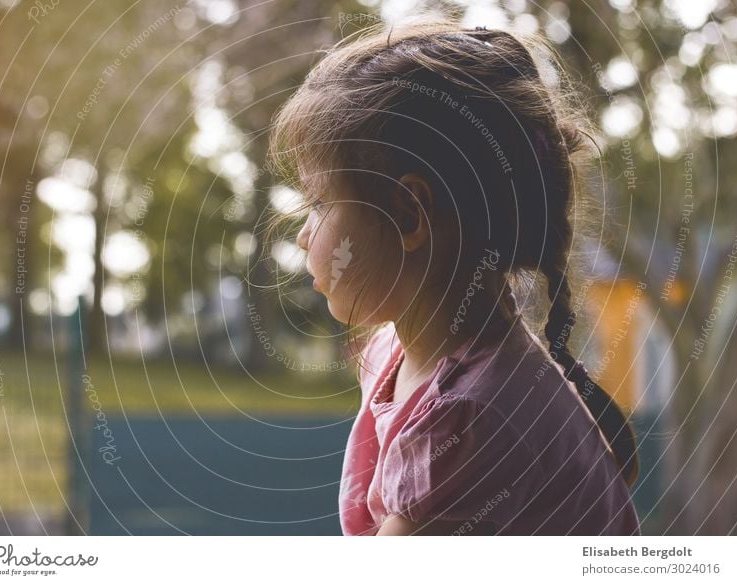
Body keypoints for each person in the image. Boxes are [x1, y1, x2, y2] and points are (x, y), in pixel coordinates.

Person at [268, 15, 640, 536]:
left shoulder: (467, 422)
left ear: (408, 214)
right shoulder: (393, 352)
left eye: (318, 202)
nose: (304, 236)